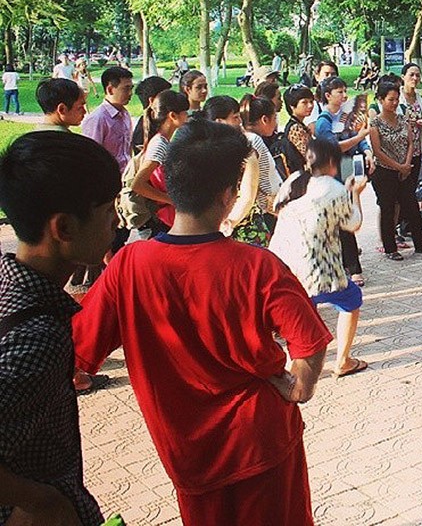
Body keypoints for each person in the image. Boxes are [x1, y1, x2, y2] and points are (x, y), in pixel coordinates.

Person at [72, 118, 332, 525]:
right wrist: (300, 386)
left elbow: (77, 355)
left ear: (170, 185)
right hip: (261, 442)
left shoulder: (129, 266)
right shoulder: (257, 266)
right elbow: (310, 343)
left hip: (189, 454)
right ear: (228, 195)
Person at [0, 132, 121, 526]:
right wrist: (41, 500)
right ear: (64, 227)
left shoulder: (9, 282)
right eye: (108, 211)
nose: (117, 222)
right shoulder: (37, 338)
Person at [270, 137, 368, 378]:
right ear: (333, 162)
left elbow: (276, 208)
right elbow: (353, 223)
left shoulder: (295, 179)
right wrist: (355, 193)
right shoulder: (334, 189)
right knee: (351, 301)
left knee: (301, 312)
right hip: (320, 268)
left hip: (285, 262)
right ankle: (342, 361)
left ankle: (295, 365)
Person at [369, 80, 422, 260]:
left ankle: (420, 245)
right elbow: (378, 151)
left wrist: (406, 165)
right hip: (385, 171)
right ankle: (390, 248)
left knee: (412, 207)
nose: (394, 103)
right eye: (390, 99)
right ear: (381, 100)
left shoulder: (403, 119)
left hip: (405, 169)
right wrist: (398, 166)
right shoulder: (375, 123)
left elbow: (410, 142)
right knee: (388, 209)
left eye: (396, 99)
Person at [315, 76, 371, 283]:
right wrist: (359, 138)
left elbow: (359, 139)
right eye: (339, 92)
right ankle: (352, 268)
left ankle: (349, 265)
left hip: (348, 170)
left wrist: (367, 151)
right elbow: (334, 148)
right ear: (328, 95)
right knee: (342, 222)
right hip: (333, 175)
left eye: (345, 91)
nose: (344, 95)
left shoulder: (346, 116)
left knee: (346, 219)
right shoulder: (323, 122)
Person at [130, 90, 189, 234]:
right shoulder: (159, 145)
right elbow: (138, 185)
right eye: (185, 113)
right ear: (173, 115)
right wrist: (171, 200)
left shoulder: (163, 140)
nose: (187, 117)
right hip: (160, 219)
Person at [202, 96, 259, 238]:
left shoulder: (247, 154)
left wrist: (229, 223)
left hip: (242, 227)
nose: (240, 122)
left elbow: (248, 196)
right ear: (219, 122)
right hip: (210, 227)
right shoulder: (202, 151)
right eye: (235, 117)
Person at [239, 94, 282, 242]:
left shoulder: (249, 138)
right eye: (274, 118)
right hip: (266, 208)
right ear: (265, 119)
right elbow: (256, 180)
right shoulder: (254, 140)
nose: (276, 123)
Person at [81, 66, 134, 174]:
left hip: (126, 176)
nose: (130, 93)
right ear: (110, 90)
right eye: (126, 88)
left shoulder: (125, 114)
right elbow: (91, 157)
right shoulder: (97, 119)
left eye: (131, 88)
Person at [131, 75, 172, 152]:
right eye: (167, 97)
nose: (172, 99)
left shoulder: (159, 122)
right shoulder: (144, 131)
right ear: (152, 101)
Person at [282, 84, 315, 174]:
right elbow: (310, 156)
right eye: (304, 102)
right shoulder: (296, 129)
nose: (310, 105)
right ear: (292, 106)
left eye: (311, 101)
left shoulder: (299, 125)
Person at [304, 60, 338, 131]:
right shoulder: (312, 103)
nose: (330, 77)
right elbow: (313, 129)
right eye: (326, 74)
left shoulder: (342, 102)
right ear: (317, 77)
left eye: (333, 74)